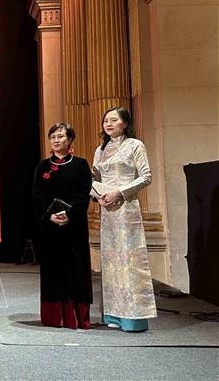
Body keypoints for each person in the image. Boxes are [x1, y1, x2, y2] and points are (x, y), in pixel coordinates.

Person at [92, 107, 156, 332]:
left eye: (113, 120)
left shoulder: (135, 145)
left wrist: (119, 192)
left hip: (126, 208)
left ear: (125, 123)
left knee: (130, 260)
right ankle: (113, 314)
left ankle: (133, 317)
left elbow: (146, 177)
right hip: (107, 211)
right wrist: (98, 195)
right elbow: (93, 177)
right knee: (110, 262)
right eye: (105, 121)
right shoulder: (100, 150)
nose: (108, 124)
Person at [32, 123, 93, 329]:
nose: (56, 140)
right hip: (50, 228)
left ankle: (77, 318)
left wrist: (69, 214)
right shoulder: (43, 166)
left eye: (60, 136)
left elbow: (84, 194)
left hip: (74, 227)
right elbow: (37, 195)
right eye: (53, 137)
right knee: (52, 269)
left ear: (70, 140)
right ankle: (52, 317)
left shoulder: (81, 164)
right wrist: (49, 215)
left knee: (76, 269)